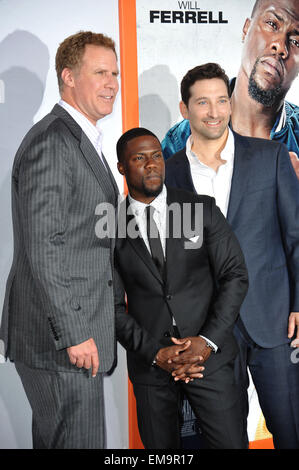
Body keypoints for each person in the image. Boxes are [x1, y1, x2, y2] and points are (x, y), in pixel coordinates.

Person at [165, 62, 299, 449]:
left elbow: (295, 237)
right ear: (184, 109)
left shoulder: (270, 157)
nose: (215, 111)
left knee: (291, 430)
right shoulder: (169, 174)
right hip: (208, 329)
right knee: (224, 439)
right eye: (203, 102)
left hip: (273, 322)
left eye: (222, 100)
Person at [0, 31, 120, 449]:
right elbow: (44, 246)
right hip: (61, 338)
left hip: (70, 333)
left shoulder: (81, 138)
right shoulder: (53, 141)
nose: (112, 83)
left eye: (115, 73)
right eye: (100, 72)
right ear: (68, 76)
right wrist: (73, 331)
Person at [114, 127, 249, 449]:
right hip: (152, 367)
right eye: (139, 158)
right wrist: (155, 353)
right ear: (122, 167)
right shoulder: (109, 225)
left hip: (210, 361)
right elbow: (110, 305)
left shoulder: (200, 209)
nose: (151, 165)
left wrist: (207, 341)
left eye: (157, 156)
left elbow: (235, 275)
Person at [162, 0, 299, 180]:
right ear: (246, 29)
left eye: (296, 40)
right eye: (272, 24)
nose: (280, 46)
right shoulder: (181, 141)